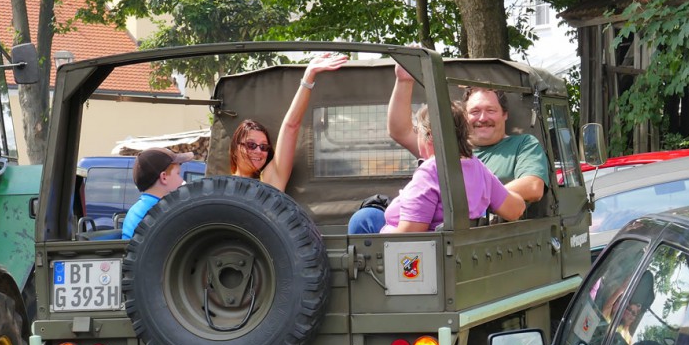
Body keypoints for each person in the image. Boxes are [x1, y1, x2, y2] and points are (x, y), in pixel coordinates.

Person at [348, 101, 525, 233]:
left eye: (417, 131)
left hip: (418, 260)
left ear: (430, 136)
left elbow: (410, 235)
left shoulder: (430, 171)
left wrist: (383, 232)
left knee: (363, 222)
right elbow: (515, 210)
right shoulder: (476, 166)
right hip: (456, 249)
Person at [387, 65, 550, 203]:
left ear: (504, 114)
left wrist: (471, 202)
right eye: (475, 111)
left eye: (491, 110)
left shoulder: (523, 145)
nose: (483, 118)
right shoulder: (448, 147)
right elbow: (401, 132)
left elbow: (533, 187)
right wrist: (404, 81)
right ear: (465, 116)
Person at [230, 52, 348, 191]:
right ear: (235, 148)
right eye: (251, 145)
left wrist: (308, 77)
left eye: (264, 147)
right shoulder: (218, 187)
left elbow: (290, 126)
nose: (258, 151)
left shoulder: (268, 181)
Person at [121, 148, 193, 239]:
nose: (182, 180)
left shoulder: (138, 209)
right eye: (178, 174)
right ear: (164, 177)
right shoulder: (161, 213)